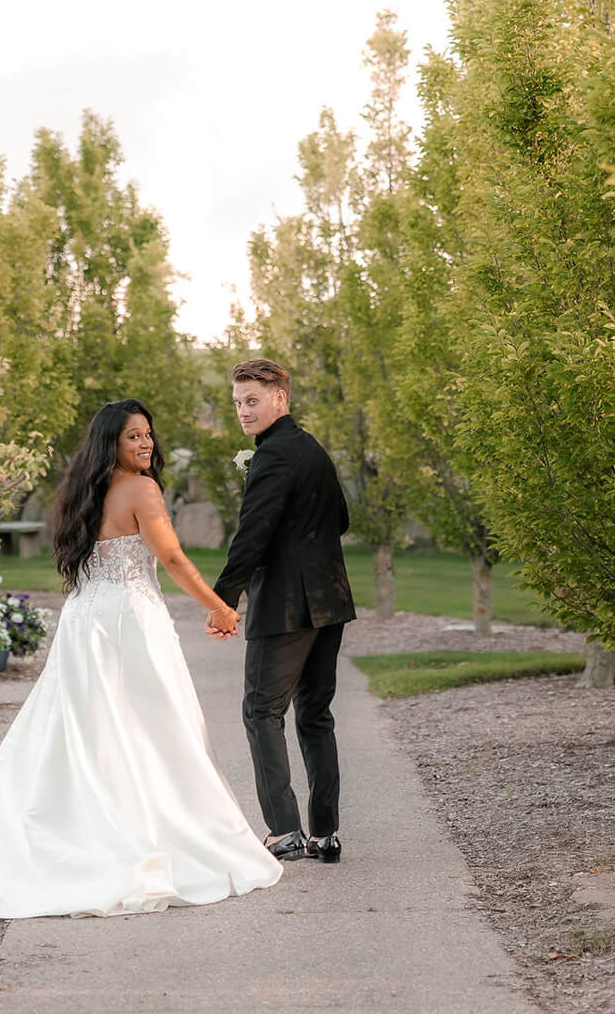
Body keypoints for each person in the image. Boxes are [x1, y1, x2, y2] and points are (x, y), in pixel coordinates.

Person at [0, 399, 282, 918]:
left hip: (85, 616)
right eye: (133, 436)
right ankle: (150, 838)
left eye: (148, 434)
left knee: (89, 729)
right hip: (129, 620)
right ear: (111, 441)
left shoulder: (81, 492)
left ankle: (82, 832)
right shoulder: (142, 489)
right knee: (155, 727)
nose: (145, 443)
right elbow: (173, 558)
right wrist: (221, 607)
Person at [212, 358, 353, 864]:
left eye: (252, 401)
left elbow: (253, 535)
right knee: (315, 714)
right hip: (331, 598)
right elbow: (341, 518)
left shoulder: (272, 457)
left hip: (287, 607)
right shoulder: (311, 447)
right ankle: (325, 833)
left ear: (280, 399)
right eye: (237, 403)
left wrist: (223, 600)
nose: (243, 411)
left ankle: (284, 831)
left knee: (261, 710)